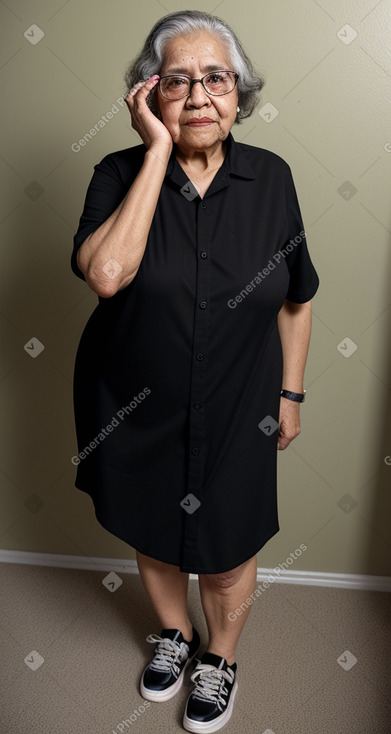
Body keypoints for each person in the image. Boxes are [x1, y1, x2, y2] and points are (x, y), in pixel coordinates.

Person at [71, 10, 319, 733]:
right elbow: (108, 274)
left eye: (216, 77)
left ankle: (221, 659)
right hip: (134, 401)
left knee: (226, 551)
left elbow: (297, 301)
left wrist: (291, 394)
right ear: (149, 94)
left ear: (239, 92)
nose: (199, 95)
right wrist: (154, 152)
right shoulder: (115, 172)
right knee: (153, 534)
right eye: (177, 80)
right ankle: (174, 637)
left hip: (242, 401)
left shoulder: (271, 177)